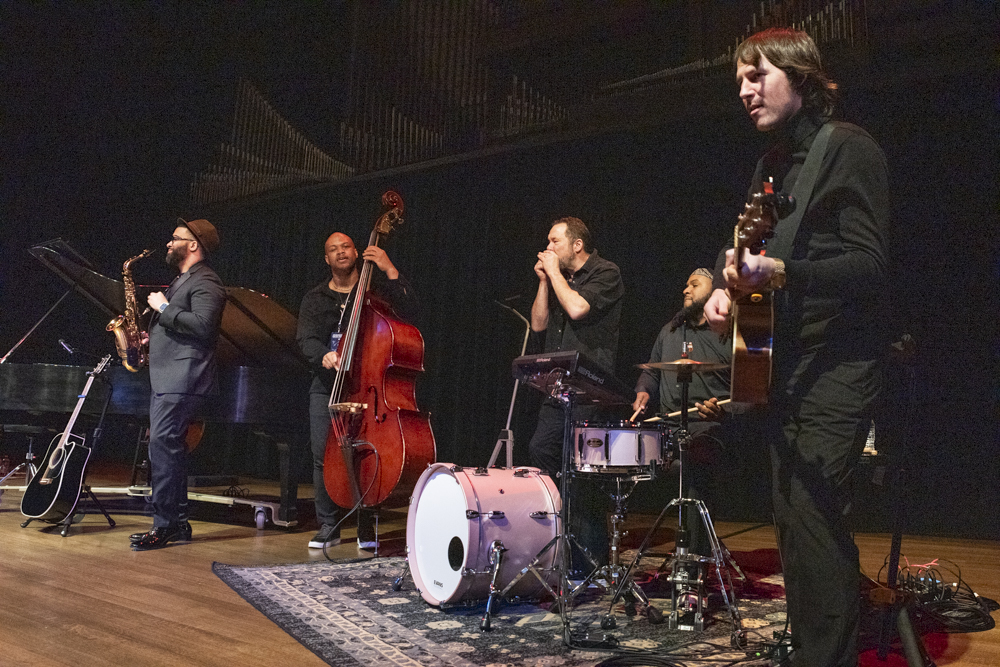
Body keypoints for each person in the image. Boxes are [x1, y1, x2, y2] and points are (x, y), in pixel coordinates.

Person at [703, 28, 889, 666]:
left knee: (814, 520)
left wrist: (782, 274)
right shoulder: (771, 165)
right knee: (791, 521)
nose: (746, 92)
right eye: (739, 84)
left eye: (758, 77)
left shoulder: (849, 149)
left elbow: (869, 266)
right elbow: (754, 253)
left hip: (841, 360)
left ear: (802, 78)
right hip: (784, 361)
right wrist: (728, 285)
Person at [296, 232, 416, 550]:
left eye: (346, 246)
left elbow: (410, 309)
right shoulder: (314, 298)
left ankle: (366, 523)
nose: (340, 252)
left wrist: (389, 267)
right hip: (328, 386)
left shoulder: (376, 295)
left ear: (356, 251)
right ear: (327, 259)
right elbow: (305, 338)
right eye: (333, 249)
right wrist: (322, 354)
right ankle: (328, 525)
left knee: (367, 455)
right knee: (323, 454)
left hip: (369, 385)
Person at [527, 216, 624, 568]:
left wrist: (553, 274)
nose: (548, 247)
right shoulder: (558, 280)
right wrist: (544, 281)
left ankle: (589, 558)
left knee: (581, 469)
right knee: (541, 448)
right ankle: (563, 536)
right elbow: (538, 324)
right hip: (557, 384)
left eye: (555, 241)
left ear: (576, 245)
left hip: (589, 388)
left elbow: (579, 308)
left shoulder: (606, 272)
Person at [131, 218, 226, 550]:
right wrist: (150, 338)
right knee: (166, 448)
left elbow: (203, 326)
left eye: (176, 239)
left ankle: (165, 525)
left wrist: (164, 308)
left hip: (183, 377)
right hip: (169, 376)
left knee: (163, 446)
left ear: (194, 245)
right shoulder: (183, 279)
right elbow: (178, 327)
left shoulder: (208, 282)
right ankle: (178, 524)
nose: (169, 244)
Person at [632, 268, 732, 557]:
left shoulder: (726, 333)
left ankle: (691, 557)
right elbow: (651, 371)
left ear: (715, 291)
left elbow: (749, 393)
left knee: (693, 459)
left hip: (711, 427)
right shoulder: (670, 330)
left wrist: (723, 412)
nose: (685, 290)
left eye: (694, 284)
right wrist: (644, 390)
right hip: (667, 426)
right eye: (685, 284)